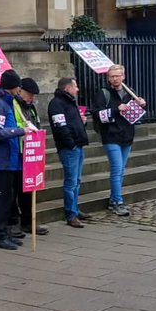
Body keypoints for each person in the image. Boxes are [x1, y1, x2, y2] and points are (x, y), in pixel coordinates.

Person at [0, 69, 34, 250]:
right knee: (2, 199)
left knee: (7, 199)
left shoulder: (6, 101)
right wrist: (20, 131)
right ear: (13, 87)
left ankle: (4, 233)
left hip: (9, 159)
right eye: (18, 86)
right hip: (0, 160)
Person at [92, 63, 145, 216]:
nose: (115, 79)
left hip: (127, 135)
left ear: (123, 76)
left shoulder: (130, 92)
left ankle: (113, 198)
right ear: (108, 78)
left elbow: (137, 115)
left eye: (117, 76)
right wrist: (116, 110)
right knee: (116, 169)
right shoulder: (104, 93)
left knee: (121, 170)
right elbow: (96, 114)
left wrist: (140, 104)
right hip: (110, 136)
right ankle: (118, 201)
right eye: (112, 76)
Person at [48, 77, 93, 228]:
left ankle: (75, 209)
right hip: (69, 148)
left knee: (76, 180)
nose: (77, 89)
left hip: (77, 145)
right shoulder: (57, 103)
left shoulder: (69, 101)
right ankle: (71, 213)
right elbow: (60, 127)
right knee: (71, 181)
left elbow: (72, 123)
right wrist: (71, 144)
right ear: (67, 88)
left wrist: (82, 123)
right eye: (75, 86)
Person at [9, 77, 49, 238]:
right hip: (17, 151)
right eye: (29, 94)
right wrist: (23, 130)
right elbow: (12, 125)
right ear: (20, 90)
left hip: (30, 153)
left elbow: (35, 124)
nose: (31, 98)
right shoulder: (13, 104)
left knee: (28, 190)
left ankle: (28, 221)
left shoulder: (30, 107)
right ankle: (15, 223)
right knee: (15, 190)